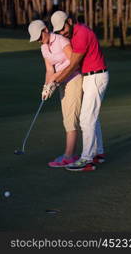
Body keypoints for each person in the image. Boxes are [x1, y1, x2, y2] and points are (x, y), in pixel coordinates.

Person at [48, 11, 109, 172]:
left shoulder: (81, 34)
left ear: (69, 21)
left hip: (95, 76)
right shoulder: (75, 32)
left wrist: (56, 81)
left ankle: (87, 159)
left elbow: (73, 64)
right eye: (59, 31)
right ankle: (98, 153)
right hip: (91, 77)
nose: (62, 32)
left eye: (63, 28)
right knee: (92, 117)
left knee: (86, 118)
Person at [28, 20, 83, 167]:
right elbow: (49, 70)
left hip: (74, 79)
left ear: (45, 29)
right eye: (37, 39)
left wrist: (54, 79)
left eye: (40, 37)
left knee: (71, 118)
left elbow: (73, 62)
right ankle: (69, 154)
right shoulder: (44, 48)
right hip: (61, 82)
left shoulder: (61, 40)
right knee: (66, 118)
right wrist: (46, 87)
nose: (39, 40)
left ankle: (69, 156)